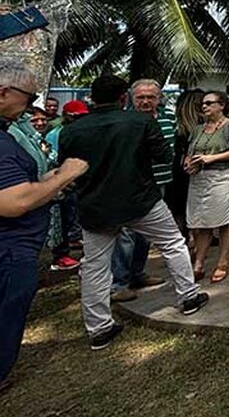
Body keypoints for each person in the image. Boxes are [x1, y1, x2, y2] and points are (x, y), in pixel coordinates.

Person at [59, 75, 209, 350]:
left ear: (92, 97)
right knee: (174, 243)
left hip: (96, 207)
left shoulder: (72, 130)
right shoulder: (141, 122)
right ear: (123, 98)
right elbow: (163, 157)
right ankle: (188, 297)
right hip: (141, 201)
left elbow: (67, 171)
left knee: (95, 266)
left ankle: (99, 328)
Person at [0, 58, 88, 386]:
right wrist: (64, 175)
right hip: (10, 250)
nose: (31, 107)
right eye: (29, 97)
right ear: (4, 92)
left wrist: (46, 182)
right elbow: (14, 202)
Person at [109, 79, 178, 300]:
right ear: (131, 98)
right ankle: (119, 283)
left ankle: (138, 273)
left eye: (151, 97)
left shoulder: (169, 117)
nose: (146, 101)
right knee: (126, 235)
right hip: (130, 185)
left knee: (146, 235)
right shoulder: (123, 119)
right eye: (140, 97)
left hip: (160, 183)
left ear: (159, 98)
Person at [184, 91, 229, 283]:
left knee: (224, 220)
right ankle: (199, 262)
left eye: (209, 103)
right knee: (201, 222)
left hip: (222, 177)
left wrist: (212, 158)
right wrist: (188, 163)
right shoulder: (197, 129)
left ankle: (222, 261)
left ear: (221, 105)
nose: (205, 106)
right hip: (198, 178)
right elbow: (189, 152)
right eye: (203, 103)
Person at [46, 99, 89, 271]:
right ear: (66, 116)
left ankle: (72, 240)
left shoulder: (81, 131)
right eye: (75, 117)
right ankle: (61, 254)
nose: (79, 120)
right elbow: (56, 160)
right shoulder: (56, 134)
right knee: (62, 218)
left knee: (73, 214)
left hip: (78, 180)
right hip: (63, 182)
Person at [167, 89, 203, 233]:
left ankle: (183, 241)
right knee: (193, 208)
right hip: (192, 171)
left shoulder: (176, 125)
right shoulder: (201, 128)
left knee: (178, 210)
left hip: (176, 171)